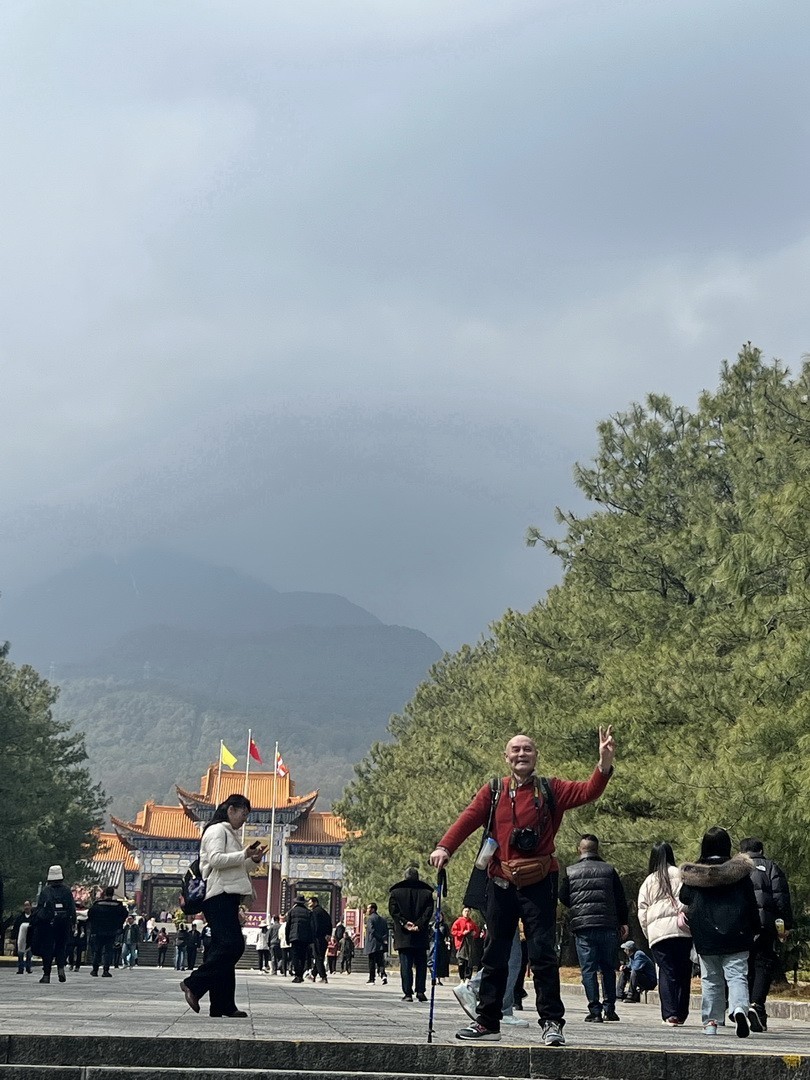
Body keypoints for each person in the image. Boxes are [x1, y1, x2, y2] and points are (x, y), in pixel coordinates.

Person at [429, 727, 616, 1044]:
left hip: (540, 880)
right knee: (494, 953)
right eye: (515, 750)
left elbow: (588, 791)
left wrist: (604, 763)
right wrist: (445, 847)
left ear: (536, 756)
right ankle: (488, 1022)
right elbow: (469, 818)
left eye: (527, 749)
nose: (521, 754)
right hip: (500, 879)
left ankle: (552, 1022)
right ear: (506, 757)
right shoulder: (494, 790)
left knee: (542, 953)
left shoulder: (551, 789)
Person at [180, 794, 264, 1018]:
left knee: (221, 949)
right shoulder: (217, 831)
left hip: (227, 894)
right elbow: (216, 860)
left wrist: (252, 859)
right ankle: (194, 984)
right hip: (217, 895)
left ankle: (222, 1004)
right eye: (243, 814)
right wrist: (243, 853)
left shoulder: (229, 833)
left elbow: (235, 867)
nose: (244, 819)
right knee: (232, 946)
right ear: (230, 809)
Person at [679, 827, 761, 1038]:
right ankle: (739, 1009)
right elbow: (751, 904)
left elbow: (684, 898)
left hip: (706, 936)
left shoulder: (695, 874)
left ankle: (711, 1022)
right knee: (737, 976)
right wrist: (756, 928)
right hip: (738, 933)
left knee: (711, 979)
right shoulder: (740, 873)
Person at [559, 834, 628, 1023]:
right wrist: (623, 922)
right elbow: (620, 899)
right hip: (607, 924)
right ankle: (610, 1008)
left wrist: (578, 907)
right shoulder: (609, 870)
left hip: (584, 927)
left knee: (588, 969)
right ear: (597, 849)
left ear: (579, 849)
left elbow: (563, 896)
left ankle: (594, 1010)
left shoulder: (571, 871)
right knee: (608, 968)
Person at [739, 837, 794, 1032]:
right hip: (766, 925)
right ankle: (757, 1005)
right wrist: (785, 926)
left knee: (744, 966)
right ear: (761, 850)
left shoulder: (736, 869)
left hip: (741, 926)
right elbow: (781, 899)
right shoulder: (772, 868)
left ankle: (742, 1007)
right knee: (763, 962)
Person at [637, 842, 692, 1026]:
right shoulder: (681, 874)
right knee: (683, 971)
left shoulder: (649, 881)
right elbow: (688, 900)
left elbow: (642, 911)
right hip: (681, 931)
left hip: (658, 934)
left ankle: (670, 1014)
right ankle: (682, 1012)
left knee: (667, 972)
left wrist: (648, 933)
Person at [388, 866, 434, 1002]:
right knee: (421, 965)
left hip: (403, 936)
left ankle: (408, 993)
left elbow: (394, 911)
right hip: (420, 934)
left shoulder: (396, 892)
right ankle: (420, 991)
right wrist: (419, 924)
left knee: (406, 966)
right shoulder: (426, 893)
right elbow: (428, 912)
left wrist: (405, 923)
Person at [33, 865, 76, 984]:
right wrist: (73, 922)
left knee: (48, 948)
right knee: (61, 947)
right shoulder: (66, 890)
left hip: (48, 924)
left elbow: (40, 908)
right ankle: (61, 969)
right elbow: (72, 907)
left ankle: (46, 974)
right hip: (64, 923)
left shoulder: (46, 891)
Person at [87, 887, 127, 977]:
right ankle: (106, 970)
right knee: (108, 951)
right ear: (113, 894)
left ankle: (95, 970)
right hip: (111, 931)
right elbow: (124, 914)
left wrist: (94, 925)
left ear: (104, 894)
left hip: (98, 931)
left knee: (97, 950)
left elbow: (90, 915)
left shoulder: (97, 904)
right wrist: (118, 925)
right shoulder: (118, 905)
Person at [287, 895, 315, 982]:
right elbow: (311, 927)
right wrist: (311, 939)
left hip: (294, 937)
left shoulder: (291, 912)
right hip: (305, 938)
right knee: (303, 957)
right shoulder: (308, 912)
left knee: (295, 956)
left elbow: (288, 926)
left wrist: (287, 938)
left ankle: (297, 975)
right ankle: (300, 975)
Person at [450, 908, 480, 982]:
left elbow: (477, 932)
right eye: (465, 911)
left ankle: (468, 978)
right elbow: (453, 932)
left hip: (469, 945)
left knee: (469, 962)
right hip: (461, 945)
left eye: (468, 911)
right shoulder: (458, 921)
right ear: (462, 912)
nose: (467, 913)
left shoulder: (472, 923)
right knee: (461, 962)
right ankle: (461, 978)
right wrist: (462, 933)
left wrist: (474, 933)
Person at [308, 896, 332, 983]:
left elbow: (315, 926)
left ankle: (323, 977)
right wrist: (328, 934)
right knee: (320, 957)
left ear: (315, 902)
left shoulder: (315, 912)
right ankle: (313, 974)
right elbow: (329, 923)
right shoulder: (324, 912)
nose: (309, 904)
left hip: (317, 938)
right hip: (324, 938)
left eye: (310, 902)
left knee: (318, 957)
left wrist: (312, 936)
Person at [364, 903, 389, 984]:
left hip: (372, 943)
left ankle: (372, 979)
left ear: (373, 909)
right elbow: (386, 931)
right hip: (380, 944)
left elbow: (372, 930)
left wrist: (379, 937)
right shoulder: (382, 919)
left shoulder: (370, 919)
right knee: (380, 961)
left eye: (368, 908)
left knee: (371, 962)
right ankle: (383, 975)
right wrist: (383, 939)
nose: (367, 910)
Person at [12, 901, 33, 974]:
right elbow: (15, 928)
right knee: (20, 953)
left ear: (31, 906)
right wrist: (14, 938)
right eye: (25, 906)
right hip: (21, 938)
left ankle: (28, 968)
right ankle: (20, 969)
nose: (26, 907)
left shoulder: (34, 917)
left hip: (30, 938)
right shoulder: (19, 918)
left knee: (29, 954)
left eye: (28, 905)